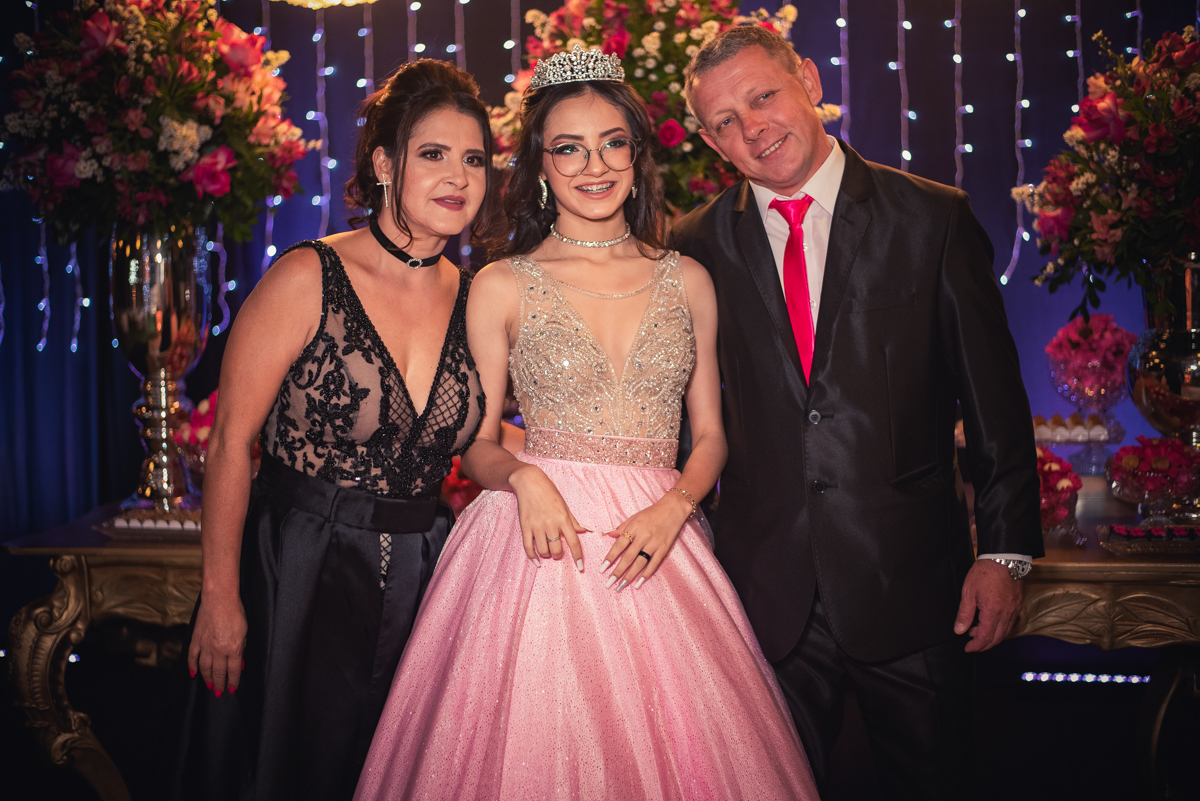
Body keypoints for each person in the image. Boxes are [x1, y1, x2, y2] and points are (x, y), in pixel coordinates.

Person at [353, 47, 819, 801]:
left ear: (636, 156)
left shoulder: (688, 279)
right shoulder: (502, 284)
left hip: (656, 540)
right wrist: (524, 477)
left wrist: (676, 505)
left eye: (611, 144)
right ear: (541, 165)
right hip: (539, 547)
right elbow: (475, 443)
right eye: (569, 147)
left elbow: (711, 437)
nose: (593, 165)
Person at [673, 26, 1043, 799]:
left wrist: (1005, 552)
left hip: (912, 586)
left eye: (763, 97)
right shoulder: (693, 246)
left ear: (808, 79)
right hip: (763, 598)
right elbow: (684, 421)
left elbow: (995, 401)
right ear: (709, 141)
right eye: (726, 121)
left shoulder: (933, 218)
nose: (753, 128)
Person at [169, 59, 499, 801]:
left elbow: (485, 441)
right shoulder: (307, 276)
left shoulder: (482, 297)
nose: (459, 177)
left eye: (475, 159)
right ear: (383, 164)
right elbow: (229, 444)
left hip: (425, 579)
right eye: (434, 154)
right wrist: (220, 595)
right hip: (298, 569)